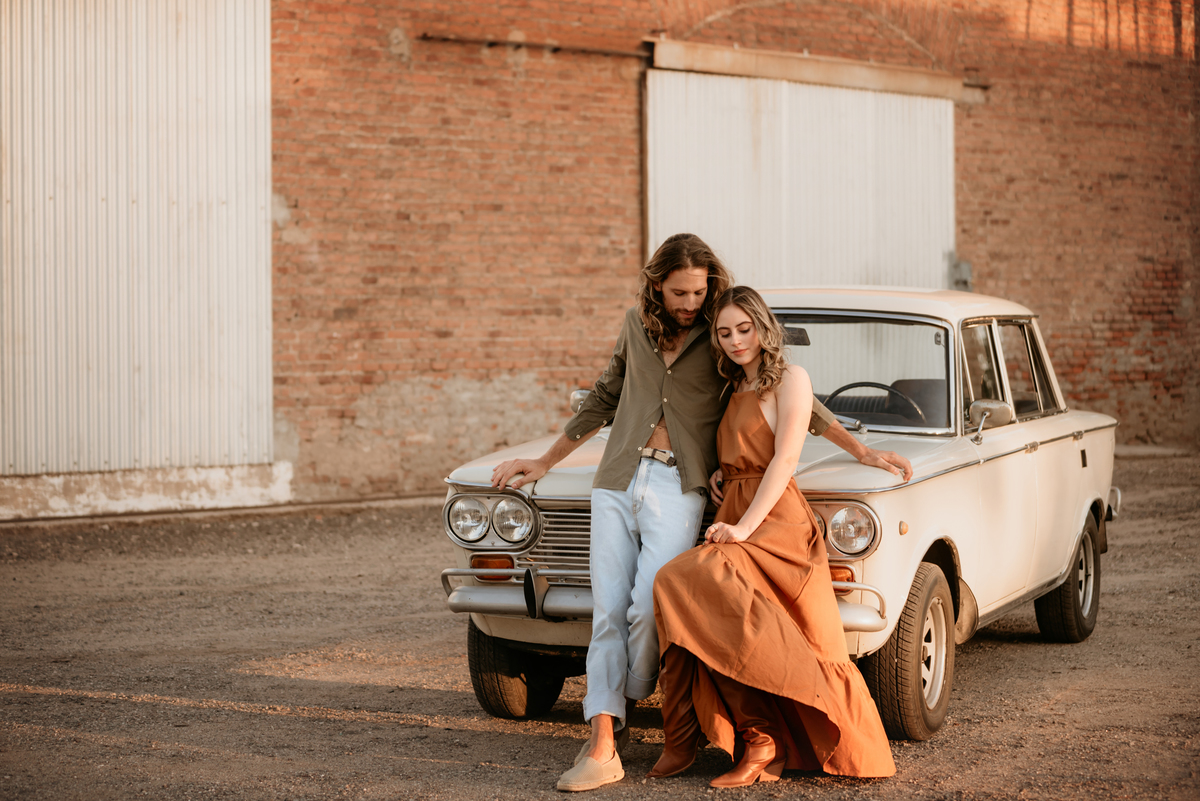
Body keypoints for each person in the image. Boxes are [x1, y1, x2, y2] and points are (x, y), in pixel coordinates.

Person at [490, 236, 909, 792]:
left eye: (699, 291)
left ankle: (643, 704)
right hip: (615, 478)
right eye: (679, 292)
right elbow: (603, 396)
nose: (690, 302)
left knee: (650, 605)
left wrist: (861, 450)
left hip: (676, 482)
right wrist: (544, 461)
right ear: (656, 286)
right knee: (609, 610)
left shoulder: (723, 333)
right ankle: (604, 741)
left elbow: (791, 396)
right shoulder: (635, 327)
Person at [649, 286, 897, 787]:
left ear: (764, 328)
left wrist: (863, 453)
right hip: (736, 507)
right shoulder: (729, 384)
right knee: (693, 600)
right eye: (724, 333)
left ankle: (755, 739)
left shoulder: (790, 378)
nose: (736, 340)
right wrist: (723, 472)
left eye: (744, 329)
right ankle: (697, 738)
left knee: (680, 581)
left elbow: (785, 458)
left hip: (773, 521)